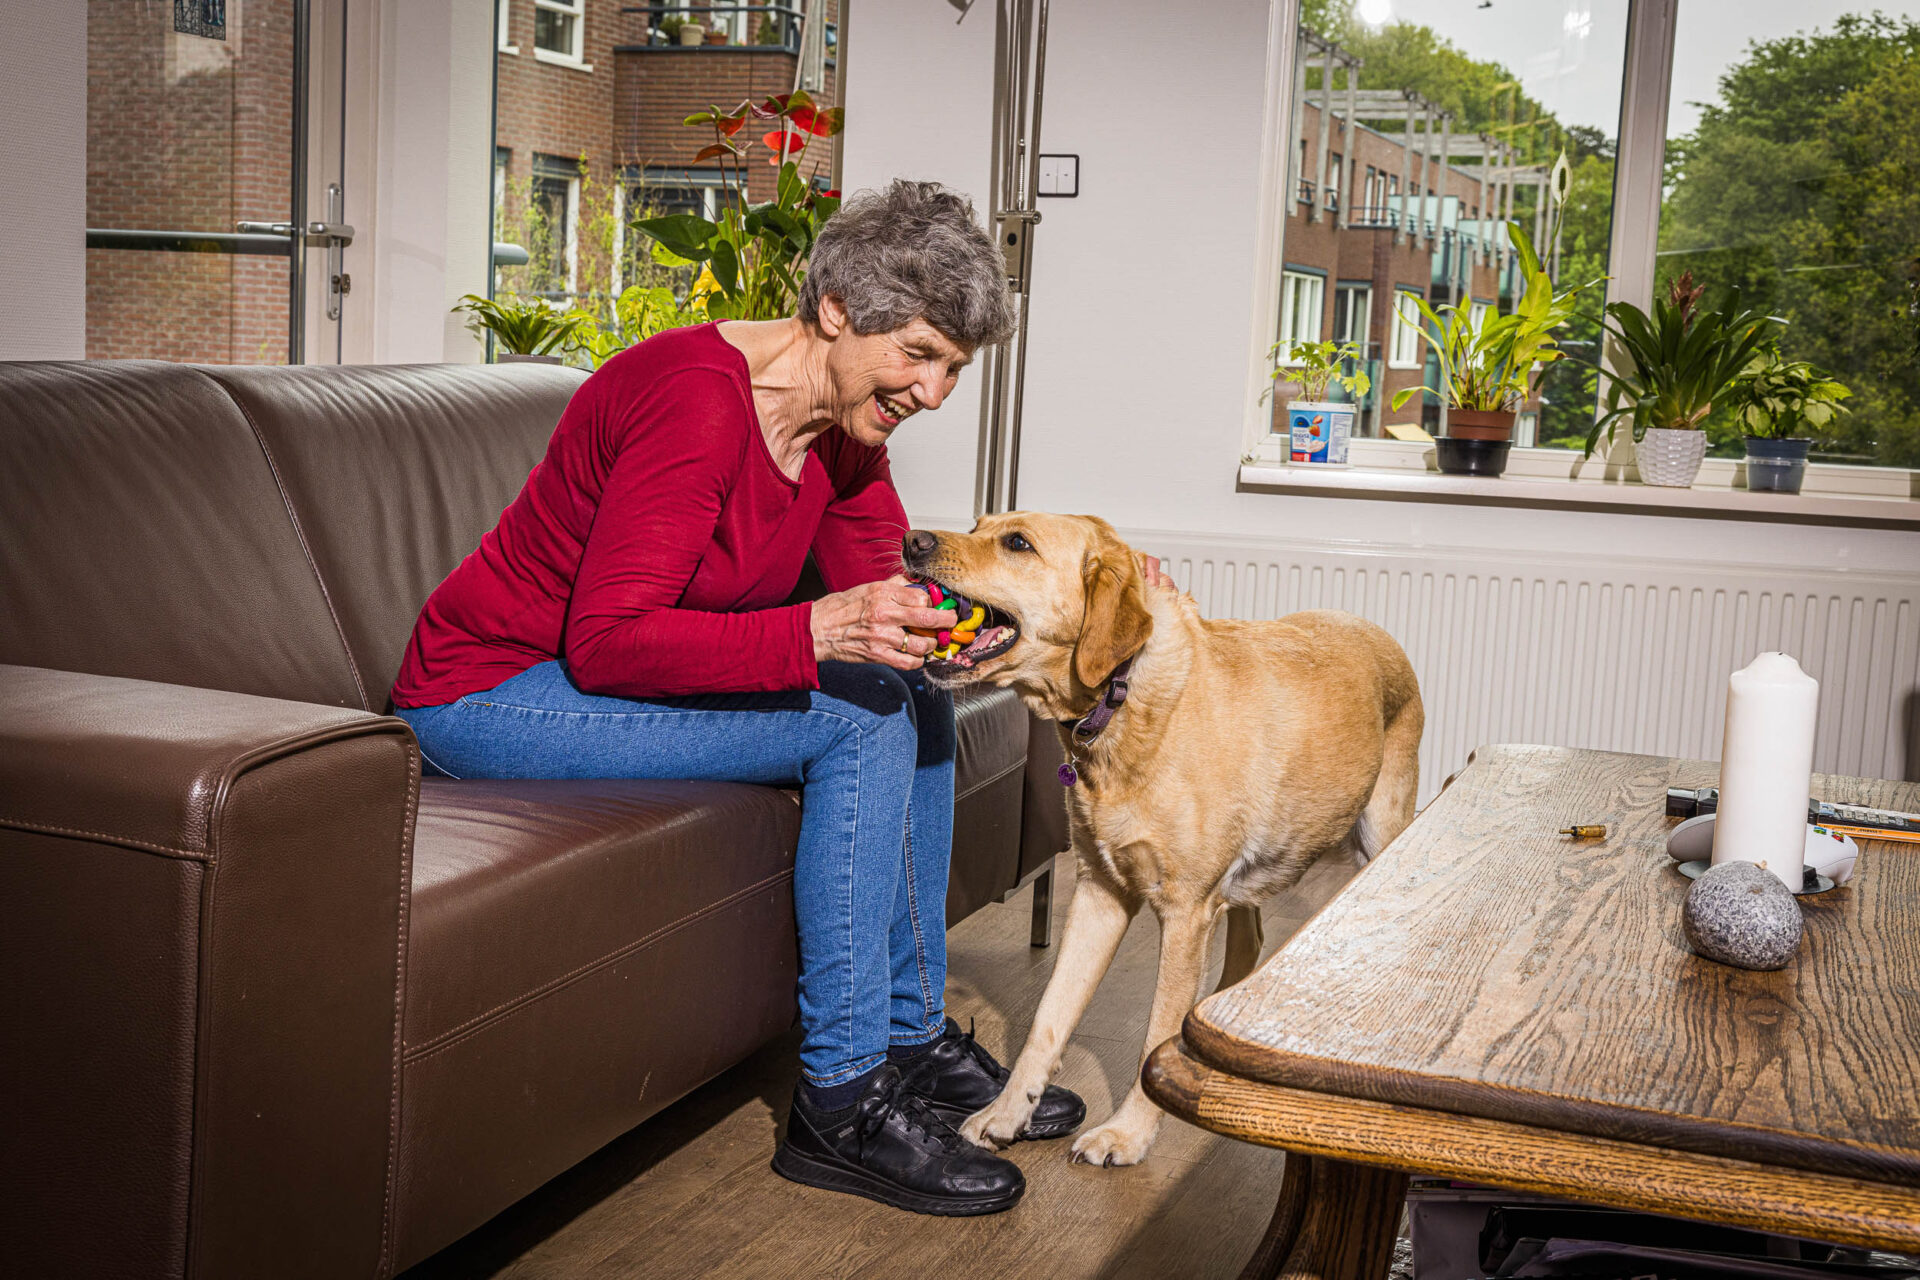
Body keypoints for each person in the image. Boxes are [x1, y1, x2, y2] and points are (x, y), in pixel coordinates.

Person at [388, 180, 1081, 1216]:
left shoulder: (847, 423)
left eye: (954, 368)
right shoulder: (695, 398)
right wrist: (815, 629)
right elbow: (611, 640)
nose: (934, 392)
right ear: (840, 310)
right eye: (921, 355)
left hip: (578, 680)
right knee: (857, 725)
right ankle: (841, 1102)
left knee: (918, 700)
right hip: (487, 691)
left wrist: (987, 623)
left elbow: (884, 590)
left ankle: (909, 1031)